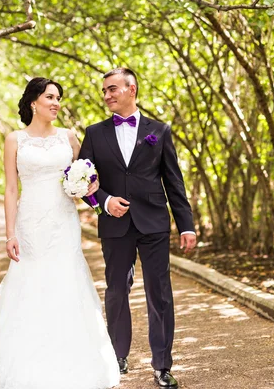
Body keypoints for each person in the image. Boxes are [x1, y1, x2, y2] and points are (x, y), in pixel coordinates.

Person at [0, 77, 120, 389]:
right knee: (29, 283)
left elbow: (87, 178)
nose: (56, 103)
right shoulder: (14, 139)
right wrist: (9, 233)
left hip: (63, 221)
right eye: (50, 97)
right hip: (29, 222)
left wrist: (93, 194)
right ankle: (25, 363)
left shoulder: (69, 137)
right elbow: (11, 189)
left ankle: (74, 360)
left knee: (66, 280)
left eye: (58, 98)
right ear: (33, 103)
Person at [79, 67, 196, 389]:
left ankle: (162, 366)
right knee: (117, 291)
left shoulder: (159, 130)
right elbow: (82, 181)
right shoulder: (94, 133)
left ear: (132, 89)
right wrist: (104, 202)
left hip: (154, 222)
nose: (107, 95)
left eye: (112, 89)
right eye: (104, 90)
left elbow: (174, 181)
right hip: (115, 224)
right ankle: (117, 357)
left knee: (160, 294)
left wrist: (186, 225)